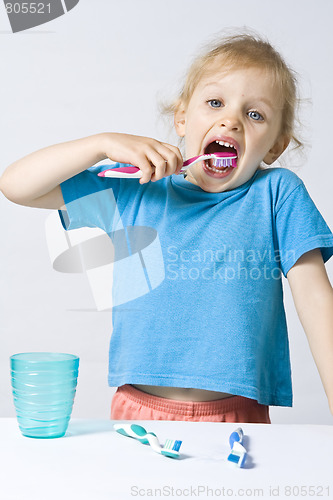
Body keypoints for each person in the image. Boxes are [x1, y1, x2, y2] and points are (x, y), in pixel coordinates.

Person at [1, 32, 333, 424]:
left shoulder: (277, 194)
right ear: (182, 119)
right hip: (136, 413)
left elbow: (316, 302)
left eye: (255, 114)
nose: (231, 120)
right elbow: (17, 185)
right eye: (215, 103)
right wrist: (101, 143)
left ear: (275, 147)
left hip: (238, 415)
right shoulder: (135, 189)